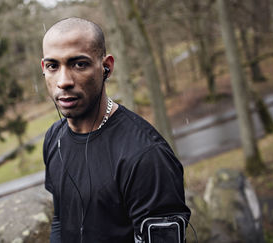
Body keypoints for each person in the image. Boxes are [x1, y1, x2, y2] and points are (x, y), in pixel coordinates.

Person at [41, 17, 190, 243]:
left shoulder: (146, 156)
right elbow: (61, 219)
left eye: (79, 64)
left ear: (106, 67)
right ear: (44, 69)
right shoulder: (54, 138)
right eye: (53, 66)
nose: (63, 81)